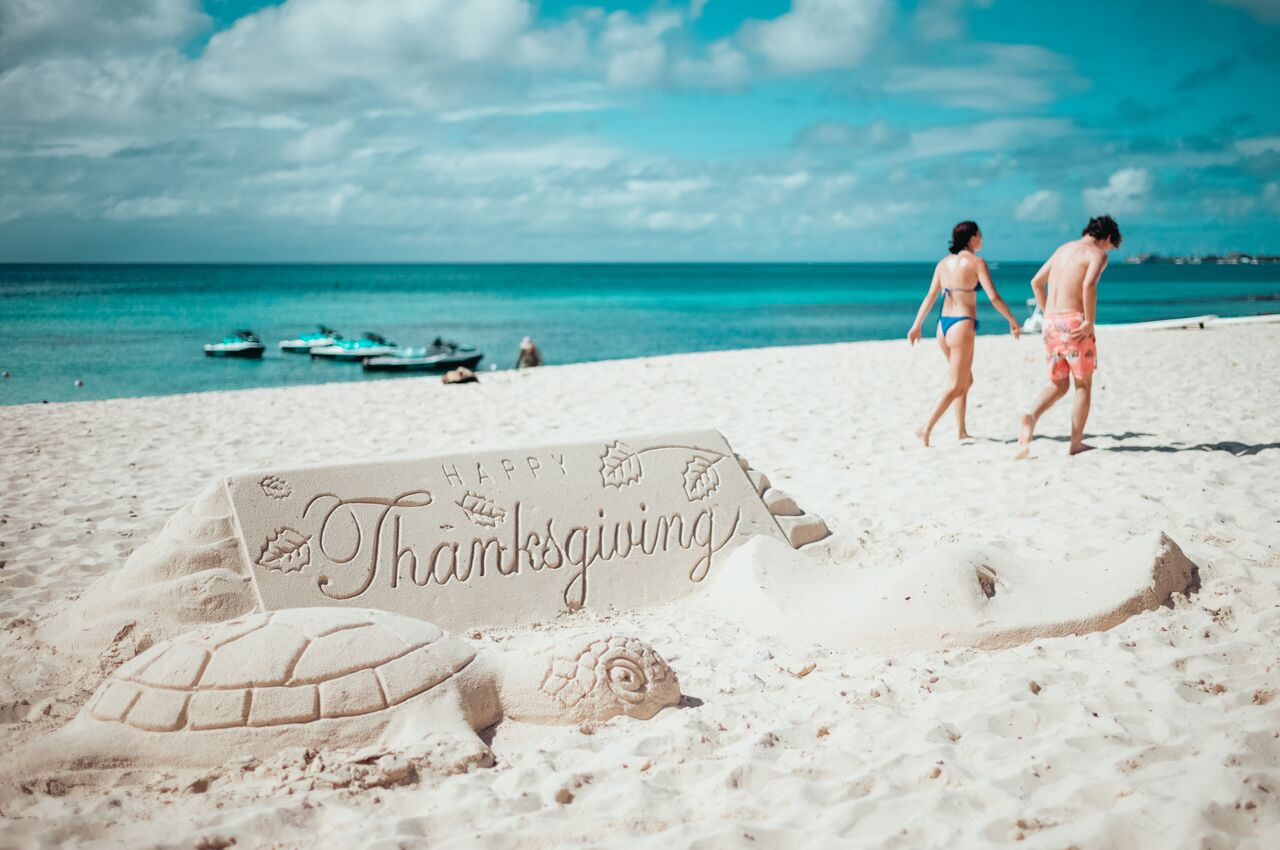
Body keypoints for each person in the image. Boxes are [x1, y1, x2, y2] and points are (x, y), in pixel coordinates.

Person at [1015, 214, 1122, 458]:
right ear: (1106, 237)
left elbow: (1036, 283)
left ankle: (1031, 414)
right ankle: (1075, 443)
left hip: (1050, 322)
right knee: (1082, 384)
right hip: (1075, 322)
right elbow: (1088, 285)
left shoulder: (1062, 249)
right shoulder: (1097, 254)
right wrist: (1089, 321)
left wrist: (1047, 313)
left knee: (1059, 384)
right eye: (1110, 246)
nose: (1108, 251)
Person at [908, 221, 1021, 446]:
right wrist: (1012, 320)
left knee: (965, 380)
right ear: (971, 238)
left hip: (943, 326)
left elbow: (930, 296)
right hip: (961, 325)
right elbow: (993, 296)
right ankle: (925, 428)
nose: (982, 239)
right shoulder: (977, 263)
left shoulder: (943, 264)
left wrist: (917, 324)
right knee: (956, 384)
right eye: (980, 235)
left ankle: (961, 431)